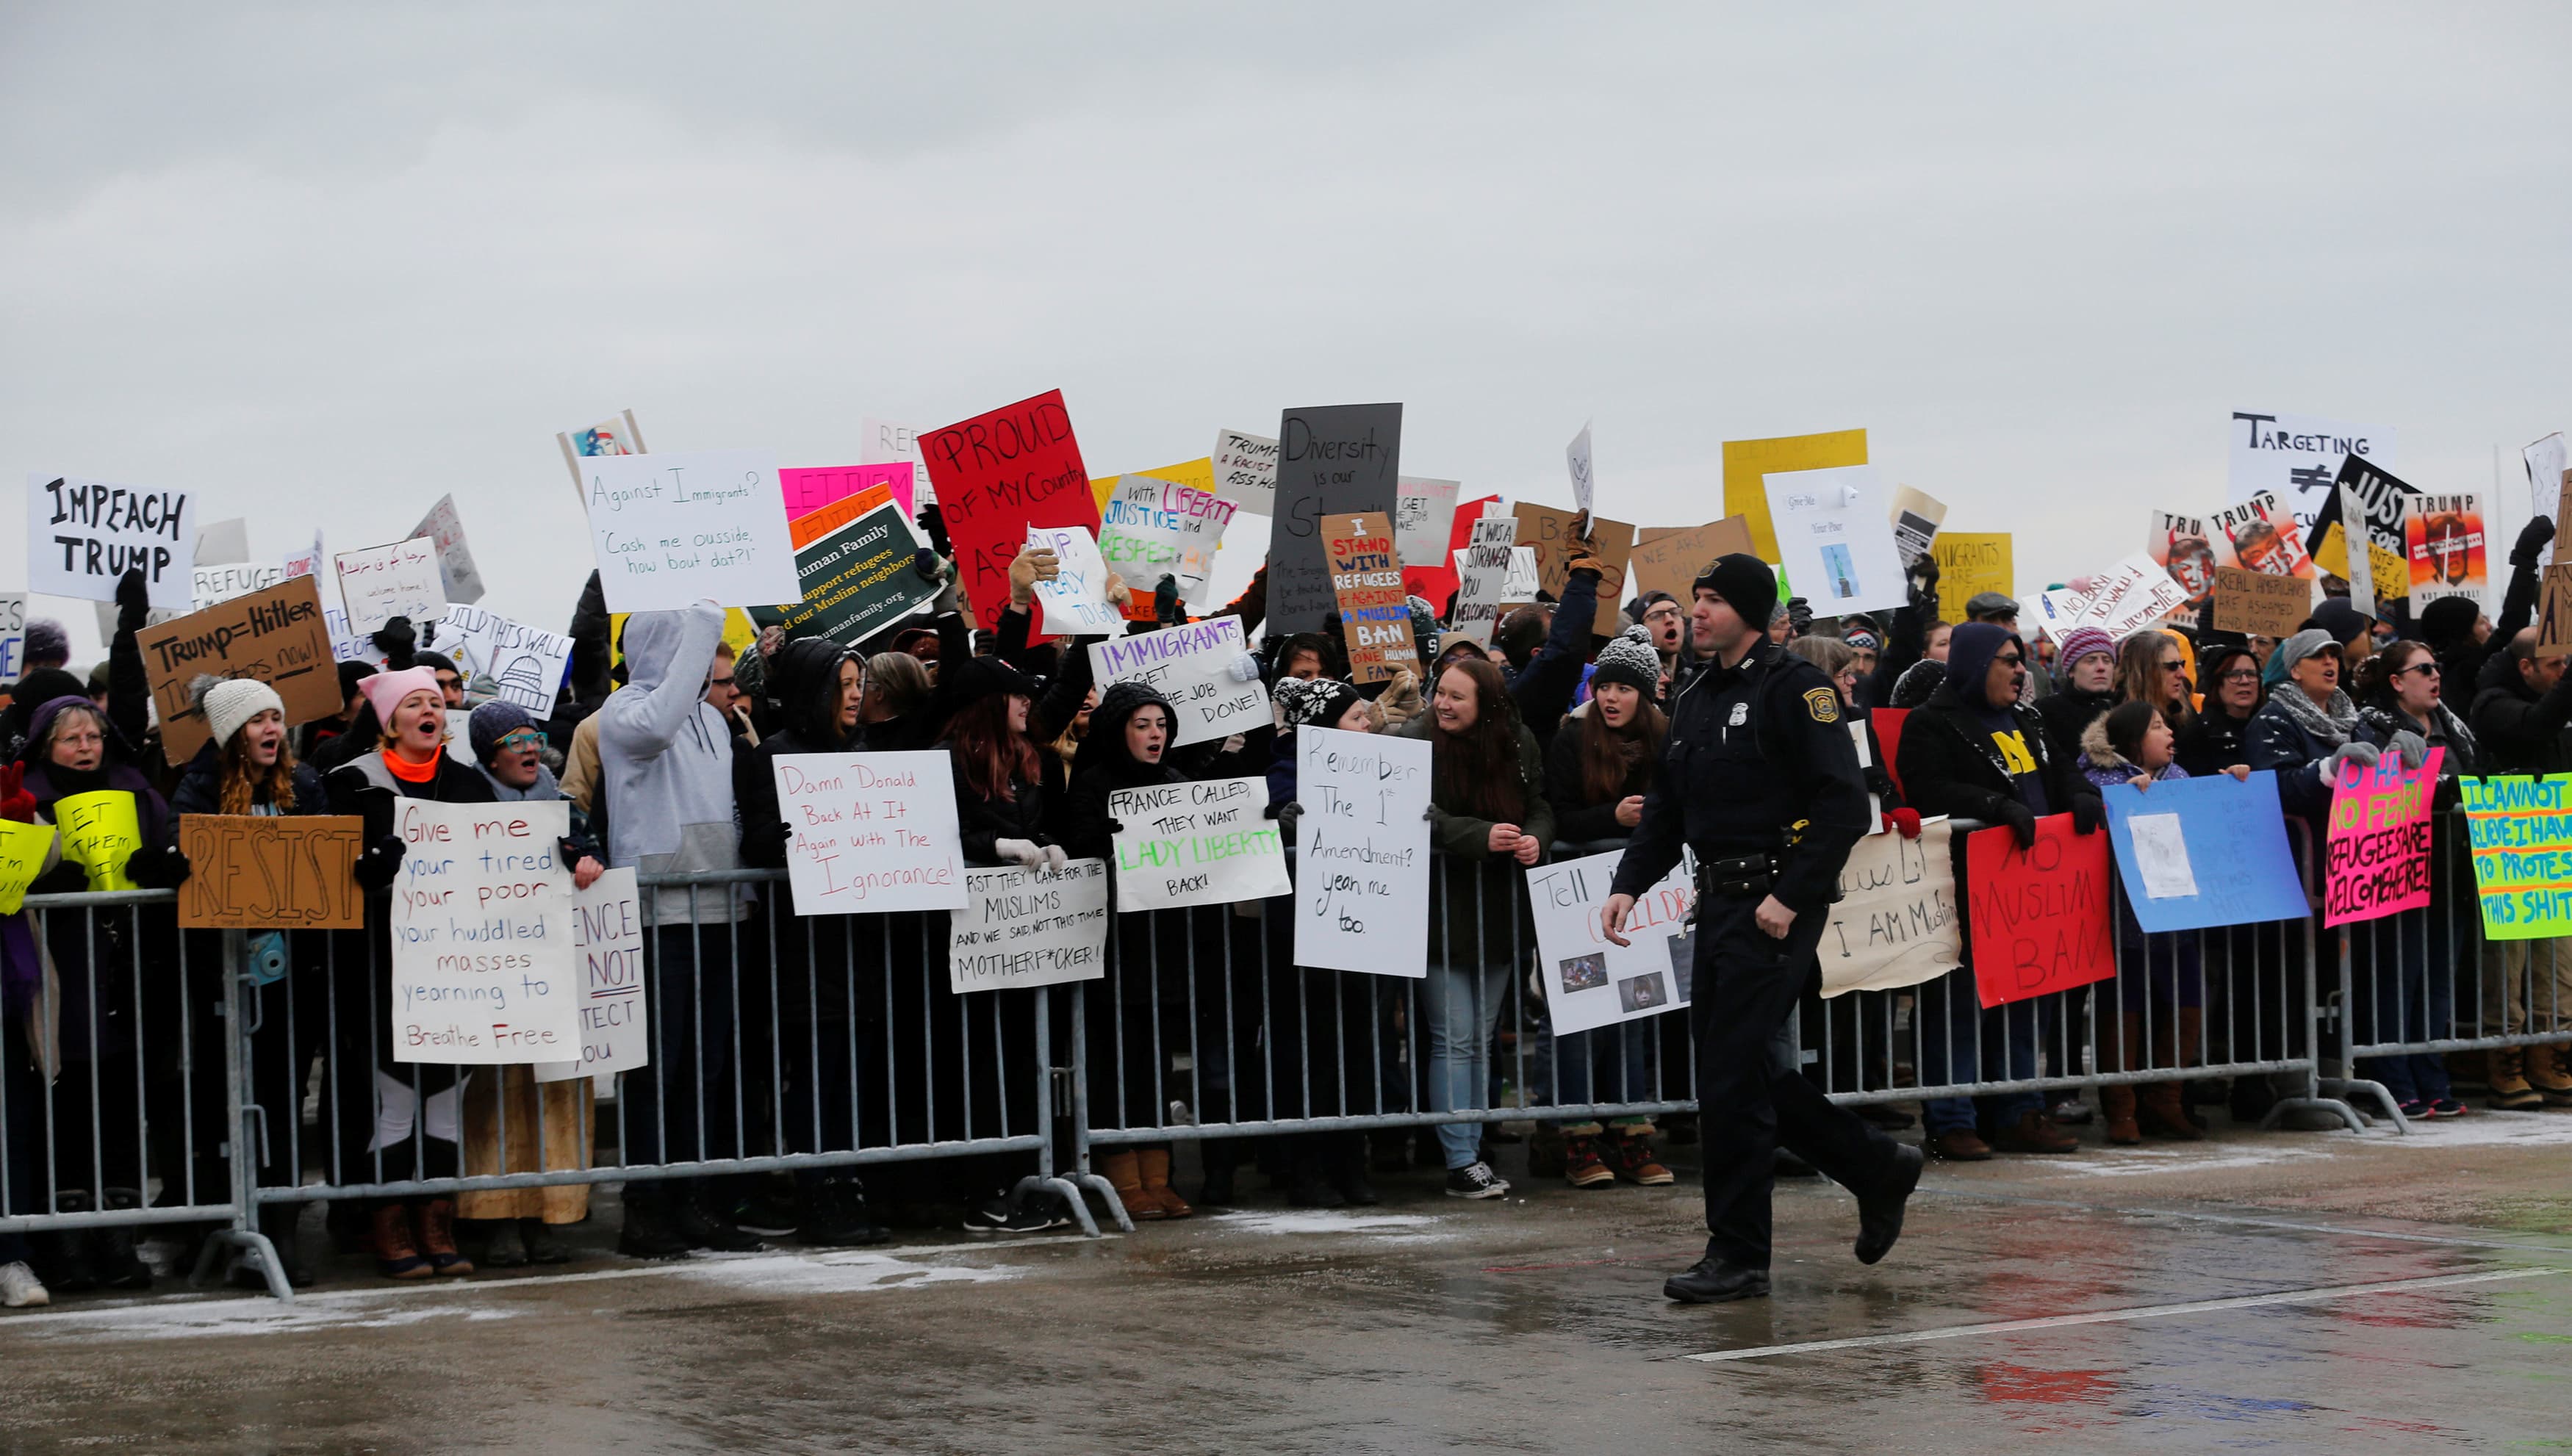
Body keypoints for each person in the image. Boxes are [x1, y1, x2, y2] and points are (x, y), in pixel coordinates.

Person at [1598, 554, 1917, 1305]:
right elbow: (1666, 808)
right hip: (1717, 905)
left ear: (1747, 609)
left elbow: (1841, 803)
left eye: (1710, 600)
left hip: (1773, 904)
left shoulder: (1794, 687)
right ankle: (1876, 1165)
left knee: (1730, 1076)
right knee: (1738, 1072)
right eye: (1695, 598)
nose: (1696, 611)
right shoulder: (1697, 694)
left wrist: (1788, 894)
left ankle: (1738, 1254)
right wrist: (1625, 884)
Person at [1894, 622, 2106, 1160]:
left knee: (2024, 997)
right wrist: (1992, 806)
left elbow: (2064, 771)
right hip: (1962, 890)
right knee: (1956, 1006)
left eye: (2020, 660)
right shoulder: (1932, 723)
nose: (2019, 670)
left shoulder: (2027, 720)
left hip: (2026, 893)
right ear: (1974, 664)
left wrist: (2080, 797)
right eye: (2007, 661)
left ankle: (2016, 1111)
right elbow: (1928, 787)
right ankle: (1952, 1117)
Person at [594, 603, 764, 1258]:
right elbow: (661, 722)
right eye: (693, 644)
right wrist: (701, 618)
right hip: (659, 917)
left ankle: (695, 1198)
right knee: (657, 1071)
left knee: (706, 1068)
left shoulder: (714, 724)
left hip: (720, 910)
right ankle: (646, 1205)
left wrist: (745, 888)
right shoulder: (627, 711)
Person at [320, 666, 495, 1278]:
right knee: (395, 1104)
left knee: (447, 1103)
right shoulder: (351, 784)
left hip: (459, 966)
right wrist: (370, 866)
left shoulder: (469, 784)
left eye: (436, 703)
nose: (431, 711)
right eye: (415, 704)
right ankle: (389, 1229)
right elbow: (334, 871)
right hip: (383, 968)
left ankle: (437, 1226)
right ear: (389, 722)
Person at [169, 679, 339, 1287]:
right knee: (225, 1108)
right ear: (230, 731)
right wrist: (169, 859)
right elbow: (179, 841)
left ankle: (282, 1235)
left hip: (290, 978)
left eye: (277, 717)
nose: (272, 730)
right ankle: (228, 1233)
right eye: (258, 720)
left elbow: (331, 861)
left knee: (283, 1104)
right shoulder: (201, 786)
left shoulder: (306, 785)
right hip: (224, 978)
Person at [16, 693, 188, 1294]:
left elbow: (173, 851)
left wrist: (158, 865)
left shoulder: (139, 793)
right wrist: (42, 875)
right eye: (72, 739)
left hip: (124, 966)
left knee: (118, 1104)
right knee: (63, 1107)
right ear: (47, 746)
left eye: (93, 737)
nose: (86, 748)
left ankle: (118, 1239)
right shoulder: (26, 796)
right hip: (57, 969)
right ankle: (66, 1245)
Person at [730, 638, 894, 1245]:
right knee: (819, 1076)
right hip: (805, 947)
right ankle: (817, 1188)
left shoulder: (867, 752)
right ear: (813, 691)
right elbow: (759, 843)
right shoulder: (774, 756)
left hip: (860, 944)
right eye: (844, 684)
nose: (856, 695)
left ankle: (847, 1184)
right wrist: (804, 835)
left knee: (853, 1075)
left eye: (859, 683)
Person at [452, 702, 609, 1267]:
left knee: (557, 1093)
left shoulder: (564, 808)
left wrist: (587, 861)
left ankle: (551, 1212)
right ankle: (497, 1217)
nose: (526, 747)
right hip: (494, 982)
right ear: (488, 754)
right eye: (512, 739)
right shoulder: (464, 809)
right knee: (496, 1096)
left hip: (554, 979)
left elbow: (596, 856)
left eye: (531, 736)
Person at [1397, 656, 1554, 1201]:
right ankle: (1460, 1159)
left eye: (1457, 697)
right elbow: (1413, 814)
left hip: (1499, 913)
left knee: (1480, 1040)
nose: (1442, 703)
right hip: (1440, 912)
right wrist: (1478, 836)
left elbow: (1539, 804)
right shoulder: (1415, 741)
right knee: (1453, 1038)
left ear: (1486, 704)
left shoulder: (1517, 741)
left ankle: (1470, 1149)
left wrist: (1536, 838)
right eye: (1441, 692)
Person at [1539, 627, 1673, 1189]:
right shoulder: (1571, 741)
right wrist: (1611, 819)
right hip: (1577, 903)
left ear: (1644, 695)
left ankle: (1631, 1134)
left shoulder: (1666, 744)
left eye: (1624, 688)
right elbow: (1557, 815)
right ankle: (1577, 1139)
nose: (1612, 697)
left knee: (1634, 1013)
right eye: (1604, 686)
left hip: (1641, 903)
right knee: (1579, 1019)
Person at [2078, 702, 2245, 1143]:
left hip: (2177, 920)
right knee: (2123, 1009)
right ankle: (2122, 1108)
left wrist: (2231, 791)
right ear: (2133, 739)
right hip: (2123, 923)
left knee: (2188, 999)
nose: (2169, 732)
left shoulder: (2181, 778)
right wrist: (2125, 802)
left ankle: (2165, 1100)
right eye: (2157, 726)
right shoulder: (2100, 781)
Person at [1262, 677, 1388, 1208]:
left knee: (1357, 1048)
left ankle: (1349, 1163)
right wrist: (1277, 819)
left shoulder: (1382, 771)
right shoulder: (1284, 769)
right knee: (1302, 1051)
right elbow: (1256, 819)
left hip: (1359, 930)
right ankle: (1304, 1166)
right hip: (1301, 933)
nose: (1368, 725)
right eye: (1356, 717)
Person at [2348, 640, 2481, 1120]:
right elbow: (2373, 790)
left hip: (2452, 873)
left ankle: (2431, 1074)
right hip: (2398, 874)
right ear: (2396, 682)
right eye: (2423, 668)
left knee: (2438, 984)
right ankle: (2394, 1076)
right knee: (2397, 981)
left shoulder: (2454, 726)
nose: (2435, 675)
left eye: (2437, 666)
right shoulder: (2374, 727)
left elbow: (2473, 776)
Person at [2468, 627, 2572, 1107]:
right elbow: (2536, 726)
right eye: (2557, 665)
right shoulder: (2491, 704)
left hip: (2552, 854)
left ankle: (2551, 1054)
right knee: (2507, 967)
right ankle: (2503, 1056)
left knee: (2559, 964)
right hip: (2508, 854)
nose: (2563, 673)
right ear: (2526, 667)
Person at [2177, 644, 2263, 779]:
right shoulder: (2198, 733)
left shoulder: (2271, 727)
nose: (2245, 681)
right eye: (2234, 675)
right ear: (2217, 683)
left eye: (2251, 674)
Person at [2037, 625, 2117, 763]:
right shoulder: (2047, 711)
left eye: (2107, 660)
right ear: (2071, 670)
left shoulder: (2123, 706)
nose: (2101, 667)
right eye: (2091, 660)